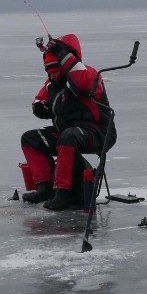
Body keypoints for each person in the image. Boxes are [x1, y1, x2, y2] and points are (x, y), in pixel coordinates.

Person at [21, 33, 116, 210]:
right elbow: (37, 101)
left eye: (56, 70)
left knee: (68, 137)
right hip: (68, 132)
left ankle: (63, 193)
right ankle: (45, 187)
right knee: (30, 139)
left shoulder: (88, 74)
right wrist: (40, 107)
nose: (54, 76)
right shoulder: (50, 85)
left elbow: (85, 85)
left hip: (98, 132)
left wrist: (63, 54)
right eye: (50, 72)